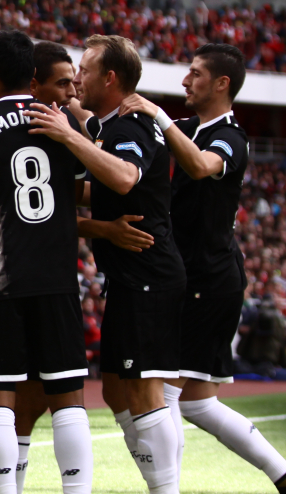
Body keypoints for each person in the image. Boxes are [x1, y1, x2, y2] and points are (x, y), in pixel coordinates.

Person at [119, 43, 286, 494]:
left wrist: (157, 115)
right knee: (197, 403)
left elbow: (199, 165)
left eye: (194, 73)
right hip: (197, 276)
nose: (185, 81)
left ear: (221, 83)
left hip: (207, 280)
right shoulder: (189, 126)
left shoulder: (230, 136)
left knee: (165, 389)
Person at [28, 34, 186, 494]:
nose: (77, 78)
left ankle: (166, 488)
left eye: (85, 69)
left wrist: (64, 134)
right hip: (131, 274)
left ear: (110, 78)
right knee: (118, 392)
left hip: (147, 272)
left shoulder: (129, 124)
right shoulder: (110, 125)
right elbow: (102, 187)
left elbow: (121, 176)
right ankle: (161, 479)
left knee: (142, 392)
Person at [0, 32, 92, 494]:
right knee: (68, 403)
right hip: (57, 277)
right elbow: (83, 192)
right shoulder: (64, 127)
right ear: (32, 74)